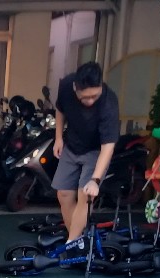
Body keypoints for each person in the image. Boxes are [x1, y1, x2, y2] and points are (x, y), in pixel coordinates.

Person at [53, 61, 120, 248]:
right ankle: (77, 241)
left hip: (96, 151)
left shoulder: (108, 103)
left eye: (94, 96)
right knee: (63, 194)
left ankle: (71, 244)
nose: (90, 101)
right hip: (72, 145)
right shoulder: (67, 85)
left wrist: (95, 180)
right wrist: (58, 138)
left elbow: (108, 147)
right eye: (85, 98)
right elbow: (60, 109)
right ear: (75, 88)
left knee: (86, 195)